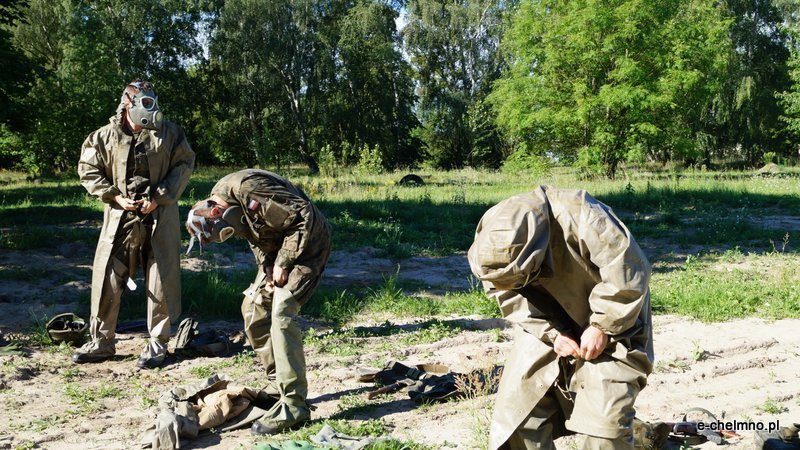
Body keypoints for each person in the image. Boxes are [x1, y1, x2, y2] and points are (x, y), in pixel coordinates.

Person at [467, 186, 654, 450]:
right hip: (544, 321)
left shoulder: (584, 216)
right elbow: (508, 295)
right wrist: (553, 333)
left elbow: (628, 273)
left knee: (605, 431)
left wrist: (601, 325)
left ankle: (640, 438)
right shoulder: (494, 235)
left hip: (615, 317)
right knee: (518, 416)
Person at [185, 169, 331, 435]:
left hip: (309, 243)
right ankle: (278, 383)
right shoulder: (225, 197)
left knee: (283, 310)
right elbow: (255, 235)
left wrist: (283, 263)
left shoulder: (249, 190)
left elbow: (302, 217)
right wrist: (268, 269)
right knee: (253, 306)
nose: (231, 236)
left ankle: (294, 403)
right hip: (280, 250)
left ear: (219, 213)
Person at [75, 81, 195, 368]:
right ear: (128, 104)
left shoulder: (169, 133)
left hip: (159, 217)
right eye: (145, 102)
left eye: (153, 102)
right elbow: (88, 169)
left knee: (161, 279)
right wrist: (115, 197)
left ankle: (158, 344)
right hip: (120, 219)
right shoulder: (104, 136)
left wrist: (160, 196)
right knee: (108, 277)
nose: (150, 108)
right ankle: (102, 342)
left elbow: (184, 164)